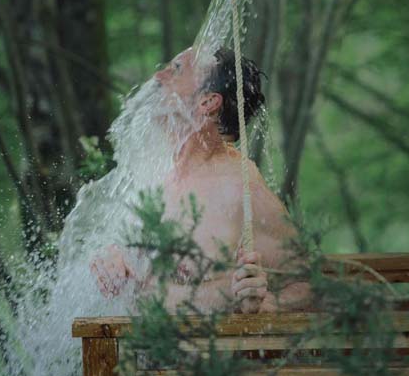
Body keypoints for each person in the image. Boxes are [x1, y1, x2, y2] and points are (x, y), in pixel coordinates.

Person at [90, 47, 311, 314]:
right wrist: (113, 260)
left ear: (207, 102)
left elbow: (307, 288)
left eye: (177, 70)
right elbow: (141, 278)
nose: (159, 75)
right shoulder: (158, 174)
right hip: (145, 351)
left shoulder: (240, 185)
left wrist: (265, 305)